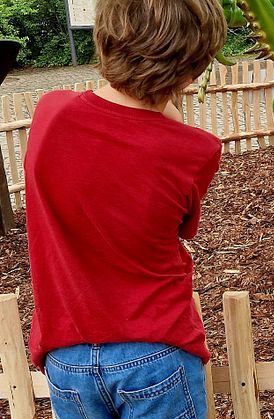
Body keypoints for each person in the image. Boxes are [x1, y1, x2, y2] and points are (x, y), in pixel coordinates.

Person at [24, 0, 226, 417]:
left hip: (67, 356)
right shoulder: (196, 151)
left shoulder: (51, 113)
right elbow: (181, 230)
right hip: (156, 351)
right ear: (193, 71)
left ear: (104, 39)